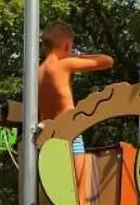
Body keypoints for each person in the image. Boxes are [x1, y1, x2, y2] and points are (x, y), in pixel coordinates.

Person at [36, 21, 115, 153]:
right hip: (70, 131)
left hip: (48, 136)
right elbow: (108, 61)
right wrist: (80, 56)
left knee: (54, 173)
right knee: (77, 173)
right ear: (67, 44)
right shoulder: (64, 65)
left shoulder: (38, 72)